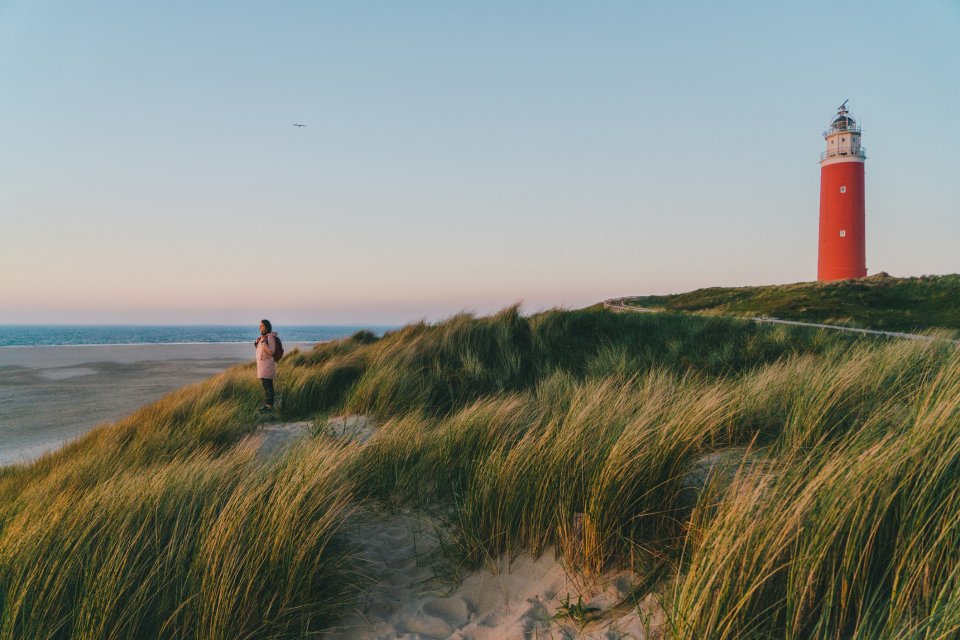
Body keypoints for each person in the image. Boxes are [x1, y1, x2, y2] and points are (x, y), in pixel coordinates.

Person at [255, 319, 278, 413]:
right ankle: (267, 405)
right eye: (259, 326)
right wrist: (257, 343)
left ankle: (269, 406)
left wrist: (263, 342)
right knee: (265, 385)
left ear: (266, 327)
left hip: (267, 366)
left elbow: (271, 351)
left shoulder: (270, 338)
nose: (259, 327)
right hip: (262, 366)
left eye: (261, 326)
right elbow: (262, 351)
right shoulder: (263, 337)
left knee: (268, 386)